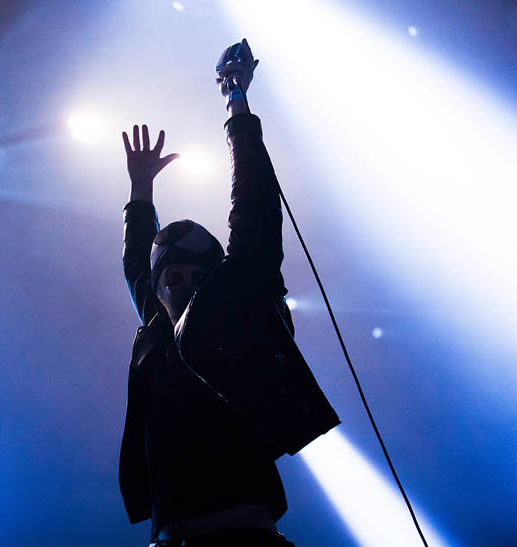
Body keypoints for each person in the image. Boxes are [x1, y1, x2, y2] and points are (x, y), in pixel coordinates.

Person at [119, 39, 340, 547]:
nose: (177, 281)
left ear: (213, 276)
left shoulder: (231, 313)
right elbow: (136, 264)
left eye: (193, 272)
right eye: (168, 274)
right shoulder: (158, 333)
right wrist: (140, 192)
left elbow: (254, 208)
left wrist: (236, 103)